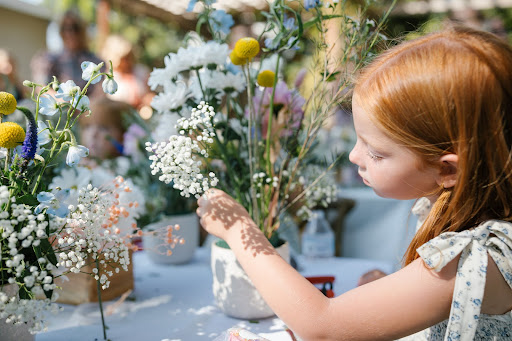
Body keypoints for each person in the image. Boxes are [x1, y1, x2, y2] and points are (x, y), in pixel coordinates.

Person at [196, 25, 512, 340]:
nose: (353, 156)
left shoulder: (470, 259)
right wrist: (393, 287)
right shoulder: (459, 218)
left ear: (447, 171)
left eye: (376, 153)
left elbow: (322, 326)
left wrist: (239, 229)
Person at [32, 10, 103, 96]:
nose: (70, 33)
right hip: (62, 106)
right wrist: (66, 104)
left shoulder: (95, 61)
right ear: (60, 32)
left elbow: (100, 93)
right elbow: (42, 89)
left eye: (75, 27)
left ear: (83, 30)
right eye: (65, 28)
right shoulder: (49, 59)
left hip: (91, 107)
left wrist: (83, 106)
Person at [100, 35, 153, 111]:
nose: (128, 61)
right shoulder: (107, 77)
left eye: (129, 56)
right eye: (124, 58)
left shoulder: (141, 71)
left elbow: (149, 94)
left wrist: (147, 101)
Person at [79, 97, 130, 163]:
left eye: (103, 128)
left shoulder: (124, 167)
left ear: (123, 133)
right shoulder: (75, 166)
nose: (93, 134)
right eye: (87, 126)